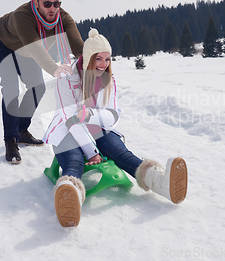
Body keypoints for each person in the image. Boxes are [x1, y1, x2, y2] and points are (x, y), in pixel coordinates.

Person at [43, 28, 188, 227]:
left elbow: (112, 115)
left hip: (94, 126)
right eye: (98, 59)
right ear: (87, 58)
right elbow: (71, 121)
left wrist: (91, 115)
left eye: (108, 59)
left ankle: (160, 182)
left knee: (120, 151)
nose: (103, 65)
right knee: (75, 160)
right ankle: (71, 195)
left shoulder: (108, 80)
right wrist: (92, 152)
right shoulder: (67, 81)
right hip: (66, 130)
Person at [0, 0, 84, 164]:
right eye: (47, 4)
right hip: (0, 43)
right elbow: (36, 50)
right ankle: (11, 140)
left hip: (24, 49)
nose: (52, 8)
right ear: (36, 2)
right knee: (11, 88)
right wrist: (55, 69)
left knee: (37, 87)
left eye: (56, 3)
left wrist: (95, 64)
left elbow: (78, 46)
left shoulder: (62, 18)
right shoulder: (22, 16)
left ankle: (22, 131)